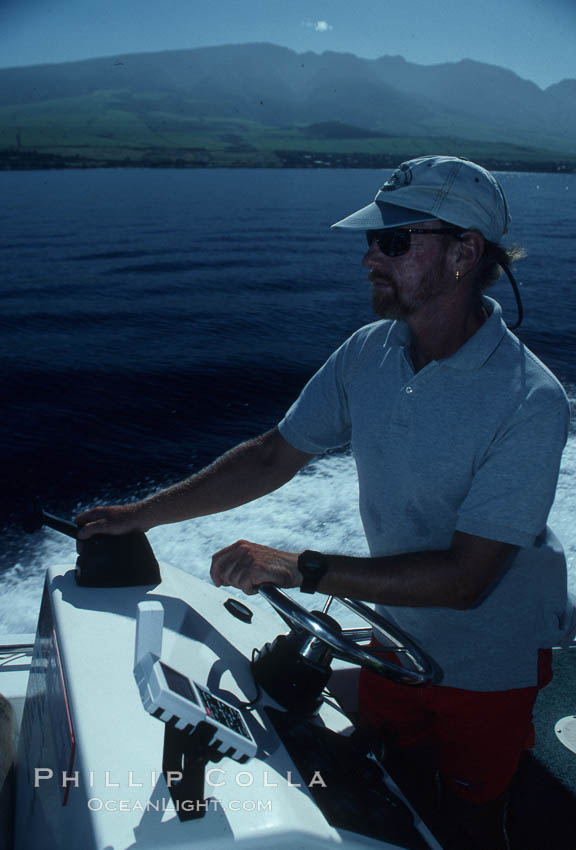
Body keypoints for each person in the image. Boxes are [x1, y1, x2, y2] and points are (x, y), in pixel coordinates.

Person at [76, 155, 573, 849]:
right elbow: (273, 455)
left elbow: (466, 581)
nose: (370, 257)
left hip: (490, 660)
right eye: (371, 240)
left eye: (395, 242)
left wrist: (297, 566)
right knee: (393, 776)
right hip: (397, 641)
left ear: (464, 253)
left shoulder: (530, 401)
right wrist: (139, 516)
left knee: (470, 816)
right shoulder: (369, 351)